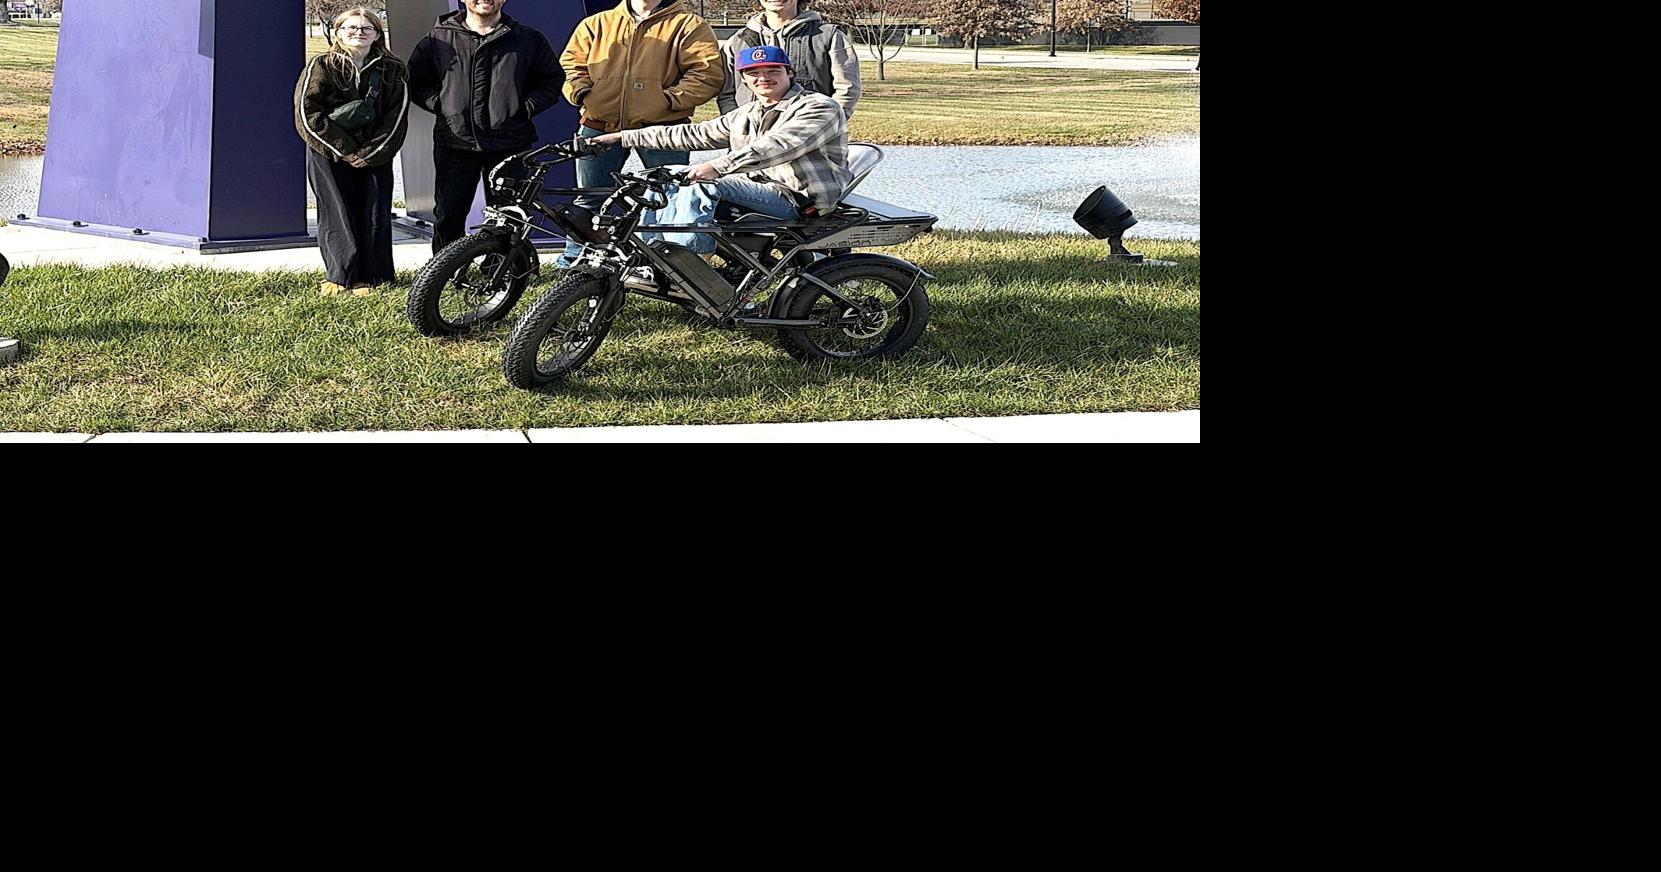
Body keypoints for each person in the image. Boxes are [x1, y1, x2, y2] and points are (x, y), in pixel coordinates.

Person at [587, 46, 850, 256]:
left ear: (789, 73)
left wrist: (717, 167)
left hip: (798, 198)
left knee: (702, 184)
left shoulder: (819, 107)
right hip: (757, 191)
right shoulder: (748, 113)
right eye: (754, 73)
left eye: (773, 70)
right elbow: (692, 134)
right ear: (744, 79)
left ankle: (690, 260)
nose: (764, 78)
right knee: (666, 175)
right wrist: (621, 137)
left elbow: (780, 145)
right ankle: (652, 254)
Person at [557, 0, 723, 267]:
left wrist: (667, 101)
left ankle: (661, 265)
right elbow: (570, 67)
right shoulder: (597, 23)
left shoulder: (689, 25)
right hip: (599, 126)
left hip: (664, 130)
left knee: (666, 197)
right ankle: (576, 261)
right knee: (590, 196)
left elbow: (706, 74)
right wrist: (584, 93)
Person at [407, 0, 565, 254]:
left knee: (508, 212)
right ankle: (446, 271)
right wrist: (443, 106)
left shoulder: (528, 38)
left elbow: (552, 81)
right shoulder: (438, 39)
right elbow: (416, 81)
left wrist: (521, 109)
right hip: (455, 140)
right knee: (449, 212)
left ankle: (502, 272)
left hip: (510, 142)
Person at [295, 7, 410, 296]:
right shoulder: (321, 66)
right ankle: (340, 275)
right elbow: (307, 113)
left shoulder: (393, 69)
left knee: (374, 213)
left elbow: (396, 117)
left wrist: (371, 153)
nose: (358, 33)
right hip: (328, 153)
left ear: (377, 34)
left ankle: (373, 277)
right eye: (351, 27)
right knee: (336, 212)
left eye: (365, 28)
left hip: (376, 154)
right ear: (338, 32)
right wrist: (344, 149)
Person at [717, 0, 860, 120]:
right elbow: (726, 94)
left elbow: (847, 89)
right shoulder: (737, 41)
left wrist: (824, 124)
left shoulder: (829, 35)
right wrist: (740, 126)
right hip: (750, 144)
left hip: (811, 142)